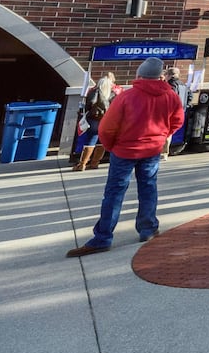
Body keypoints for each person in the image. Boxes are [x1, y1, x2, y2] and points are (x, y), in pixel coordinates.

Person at [65, 57, 186, 257]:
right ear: (160, 76)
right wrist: (161, 136)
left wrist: (113, 146)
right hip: (152, 150)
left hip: (125, 150)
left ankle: (103, 237)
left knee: (114, 193)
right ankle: (148, 228)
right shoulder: (170, 96)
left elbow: (107, 127)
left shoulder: (127, 96)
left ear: (139, 74)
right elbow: (177, 120)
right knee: (148, 188)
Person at [73, 72, 118, 171]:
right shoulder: (113, 94)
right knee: (101, 142)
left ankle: (82, 164)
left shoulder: (95, 91)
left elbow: (90, 103)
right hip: (106, 120)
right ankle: (95, 163)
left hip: (94, 119)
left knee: (90, 140)